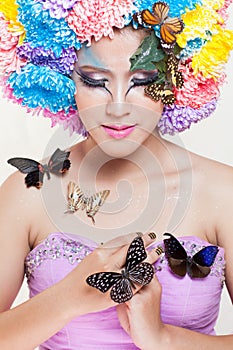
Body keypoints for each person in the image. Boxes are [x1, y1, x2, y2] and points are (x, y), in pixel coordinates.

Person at [0, 0, 233, 349]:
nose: (119, 107)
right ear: (64, 79)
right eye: (95, 81)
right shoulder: (29, 191)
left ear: (174, 79)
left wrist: (162, 338)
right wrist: (68, 298)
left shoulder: (221, 192)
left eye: (143, 80)